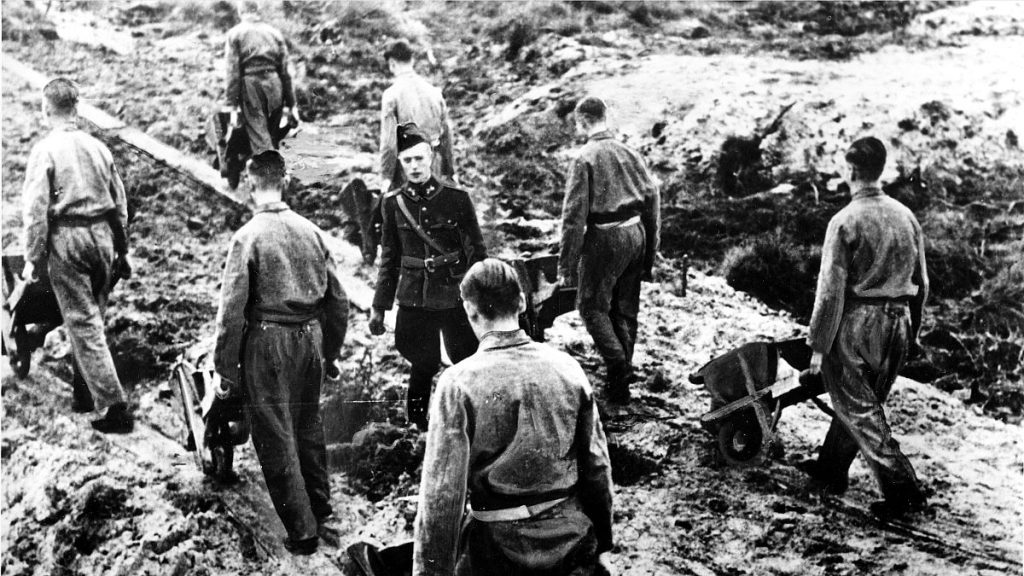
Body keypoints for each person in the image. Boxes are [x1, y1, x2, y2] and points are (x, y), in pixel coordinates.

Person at [414, 259, 614, 576]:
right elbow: (596, 465)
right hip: (570, 541)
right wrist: (603, 541)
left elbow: (442, 496)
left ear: (469, 310)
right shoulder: (568, 368)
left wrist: (430, 571)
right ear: (521, 302)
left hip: (496, 550)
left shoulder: (457, 383)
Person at [213, 150, 349, 554]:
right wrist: (332, 351)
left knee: (274, 435)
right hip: (310, 340)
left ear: (251, 185)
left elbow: (232, 310)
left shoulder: (247, 237)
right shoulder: (311, 231)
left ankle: (302, 531)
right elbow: (338, 300)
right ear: (285, 182)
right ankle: (322, 509)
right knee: (308, 425)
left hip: (268, 344)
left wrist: (226, 368)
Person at [803, 136, 929, 520]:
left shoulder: (844, 221)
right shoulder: (906, 216)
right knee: (862, 403)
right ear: (881, 170)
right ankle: (830, 469)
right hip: (899, 322)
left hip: (860, 324)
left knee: (859, 409)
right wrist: (915, 335)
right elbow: (922, 284)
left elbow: (830, 294)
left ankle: (904, 491)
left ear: (851, 170)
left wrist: (818, 348)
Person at [21, 77, 133, 434]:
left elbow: (35, 209)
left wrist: (32, 257)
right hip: (103, 238)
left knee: (83, 322)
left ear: (45, 110)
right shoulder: (99, 148)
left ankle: (114, 406)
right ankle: (84, 392)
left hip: (68, 238)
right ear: (77, 108)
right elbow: (120, 204)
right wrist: (123, 249)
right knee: (91, 319)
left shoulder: (45, 150)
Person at [369, 123, 486, 429]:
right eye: (407, 161)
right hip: (414, 298)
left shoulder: (456, 198)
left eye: (420, 159)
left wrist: (481, 297)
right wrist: (379, 307)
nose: (415, 166)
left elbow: (477, 250)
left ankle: (470, 420)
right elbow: (390, 259)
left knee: (465, 360)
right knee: (422, 363)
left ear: (432, 157)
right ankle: (417, 426)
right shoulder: (393, 203)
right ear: (400, 164)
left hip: (453, 295)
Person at [557, 96, 661, 403]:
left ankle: (618, 366)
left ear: (583, 122)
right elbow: (653, 201)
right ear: (606, 117)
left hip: (605, 240)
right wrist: (649, 255)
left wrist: (566, 266)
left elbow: (573, 218)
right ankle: (621, 382)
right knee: (625, 309)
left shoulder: (584, 158)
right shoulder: (631, 153)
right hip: (637, 234)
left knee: (591, 307)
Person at [378, 38, 456, 192]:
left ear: (392, 63)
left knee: (408, 213)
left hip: (408, 169)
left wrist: (386, 177)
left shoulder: (391, 95)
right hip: (434, 164)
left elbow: (389, 142)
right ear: (412, 60)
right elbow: (447, 135)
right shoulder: (435, 92)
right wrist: (450, 172)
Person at [223, 2, 298, 160]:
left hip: (251, 87)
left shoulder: (235, 34)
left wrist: (231, 105)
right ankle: (273, 174)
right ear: (257, 11)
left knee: (261, 141)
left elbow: (233, 73)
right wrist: (292, 104)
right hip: (275, 86)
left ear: (240, 11)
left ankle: (269, 178)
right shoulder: (274, 33)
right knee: (270, 136)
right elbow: (286, 72)